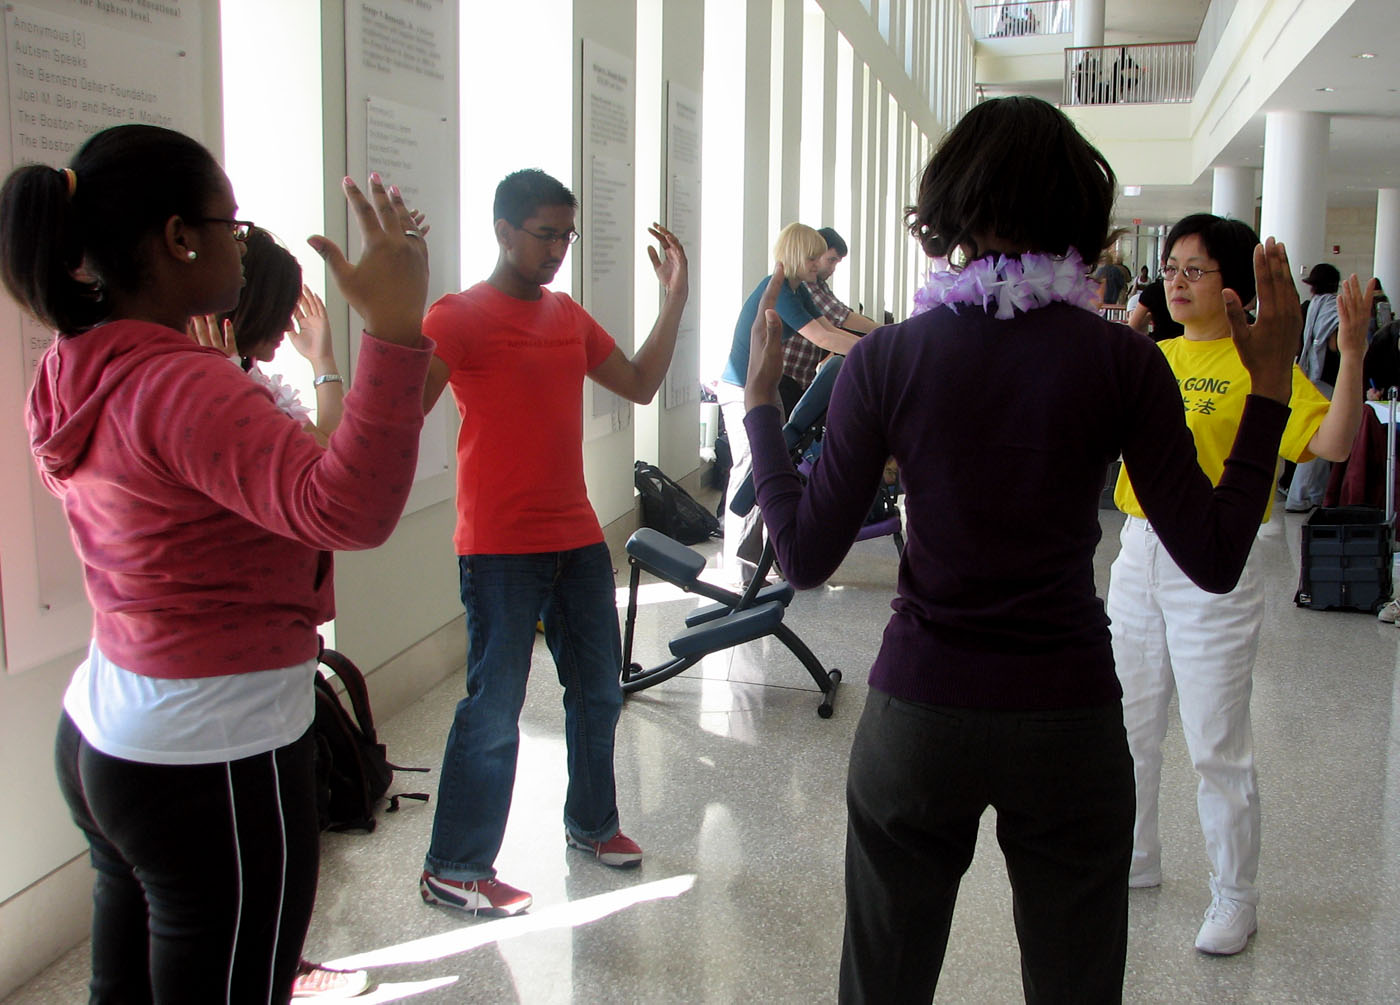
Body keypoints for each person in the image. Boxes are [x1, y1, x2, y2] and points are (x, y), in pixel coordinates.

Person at [741, 95, 1301, 1003]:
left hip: (920, 709)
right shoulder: (1123, 361)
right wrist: (1269, 386)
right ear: (1077, 208)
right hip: (1066, 715)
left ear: (950, 202)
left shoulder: (887, 359)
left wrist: (762, 406)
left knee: (882, 984)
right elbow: (1214, 555)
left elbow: (802, 555)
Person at [1, 124, 431, 1002]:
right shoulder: (185, 383)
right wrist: (393, 328)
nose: (242, 241)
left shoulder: (77, 362)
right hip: (210, 753)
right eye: (229, 223)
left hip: (108, 732)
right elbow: (348, 509)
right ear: (177, 238)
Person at [416, 169, 688, 917]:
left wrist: (673, 302)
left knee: (598, 690)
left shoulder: (567, 315)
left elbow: (639, 381)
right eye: (546, 235)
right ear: (504, 230)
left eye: (567, 235)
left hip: (576, 538)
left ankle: (592, 824)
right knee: (494, 705)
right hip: (499, 546)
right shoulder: (458, 315)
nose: (560, 249)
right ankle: (455, 865)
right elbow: (405, 407)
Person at [1108, 214, 1371, 957]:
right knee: (1129, 724)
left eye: (1195, 269)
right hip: (1138, 551)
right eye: (1171, 267)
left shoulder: (1261, 363)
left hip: (1216, 565)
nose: (1177, 281)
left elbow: (1334, 442)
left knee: (1215, 742)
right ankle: (1136, 856)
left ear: (1236, 287)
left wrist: (1352, 356)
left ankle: (1235, 896)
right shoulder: (1152, 358)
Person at [718, 223, 859, 582]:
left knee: (769, 467)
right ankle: (738, 568)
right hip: (741, 387)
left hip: (765, 386)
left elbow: (831, 328)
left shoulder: (798, 290)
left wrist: (877, 342)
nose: (818, 265)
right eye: (812, 258)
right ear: (796, 256)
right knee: (750, 471)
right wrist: (877, 349)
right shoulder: (778, 289)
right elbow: (822, 337)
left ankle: (763, 558)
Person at [190, 227, 346, 445]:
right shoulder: (204, 387)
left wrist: (322, 360)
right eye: (280, 312)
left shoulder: (245, 376)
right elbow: (332, 458)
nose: (289, 326)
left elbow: (330, 451)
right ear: (252, 307)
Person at [779, 226, 880, 414]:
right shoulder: (790, 289)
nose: (830, 268)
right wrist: (879, 344)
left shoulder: (806, 288)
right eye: (829, 260)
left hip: (797, 378)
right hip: (782, 378)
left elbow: (831, 327)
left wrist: (873, 346)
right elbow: (833, 327)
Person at [1287, 262, 1345, 511]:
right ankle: (1300, 497)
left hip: (1305, 375)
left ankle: (1315, 494)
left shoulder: (1307, 308)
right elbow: (1334, 345)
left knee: (1313, 439)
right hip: (1327, 379)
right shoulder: (1336, 309)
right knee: (1319, 441)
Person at [1127, 273, 1184, 341]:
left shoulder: (1153, 290)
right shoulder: (1189, 289)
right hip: (1187, 340)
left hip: (1161, 341)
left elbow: (1132, 326)